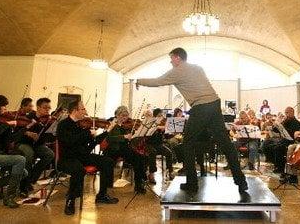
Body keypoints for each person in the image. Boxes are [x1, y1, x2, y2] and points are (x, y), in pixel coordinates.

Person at [136, 47, 248, 193]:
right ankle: (241, 181)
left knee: (187, 144)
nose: (170, 62)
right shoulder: (198, 68)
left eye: (172, 58)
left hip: (200, 107)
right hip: (214, 104)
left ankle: (192, 183)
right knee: (226, 144)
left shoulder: (177, 71)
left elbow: (158, 81)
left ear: (178, 57)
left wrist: (139, 81)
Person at [56, 99, 118, 216]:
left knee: (107, 161)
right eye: (83, 109)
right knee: (78, 170)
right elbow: (70, 142)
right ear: (75, 110)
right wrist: (87, 134)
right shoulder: (63, 125)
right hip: (67, 158)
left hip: (81, 156)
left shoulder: (80, 126)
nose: (85, 111)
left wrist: (106, 133)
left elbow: (89, 145)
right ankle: (70, 200)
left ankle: (102, 195)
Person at [104, 106, 147, 194]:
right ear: (117, 115)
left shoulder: (123, 125)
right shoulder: (112, 124)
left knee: (140, 157)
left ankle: (139, 183)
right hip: (113, 149)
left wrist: (133, 136)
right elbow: (109, 139)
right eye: (123, 116)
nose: (125, 118)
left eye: (126, 116)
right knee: (136, 158)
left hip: (123, 148)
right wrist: (124, 137)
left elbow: (126, 139)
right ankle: (140, 182)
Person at [16, 97, 55, 196]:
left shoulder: (48, 121)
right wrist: (27, 132)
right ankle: (23, 185)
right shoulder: (27, 117)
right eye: (45, 107)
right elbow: (16, 132)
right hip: (24, 143)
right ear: (38, 107)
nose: (47, 110)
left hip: (37, 145)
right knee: (28, 154)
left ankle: (31, 179)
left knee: (49, 154)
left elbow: (47, 139)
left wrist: (53, 133)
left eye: (49, 108)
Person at [146, 108, 175, 182]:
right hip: (149, 144)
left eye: (162, 115)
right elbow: (148, 137)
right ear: (155, 117)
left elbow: (166, 137)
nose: (161, 117)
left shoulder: (163, 124)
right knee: (152, 152)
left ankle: (170, 171)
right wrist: (156, 128)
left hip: (159, 144)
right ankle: (151, 173)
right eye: (159, 116)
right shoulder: (151, 124)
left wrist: (173, 134)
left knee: (169, 152)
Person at [271, 107, 300, 173]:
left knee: (278, 148)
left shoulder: (296, 122)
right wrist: (276, 125)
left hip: (291, 140)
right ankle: (276, 165)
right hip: (284, 139)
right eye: (285, 113)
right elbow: (275, 130)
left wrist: (283, 126)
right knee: (270, 145)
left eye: (287, 113)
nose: (286, 114)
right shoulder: (285, 121)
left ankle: (280, 168)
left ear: (292, 113)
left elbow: (293, 134)